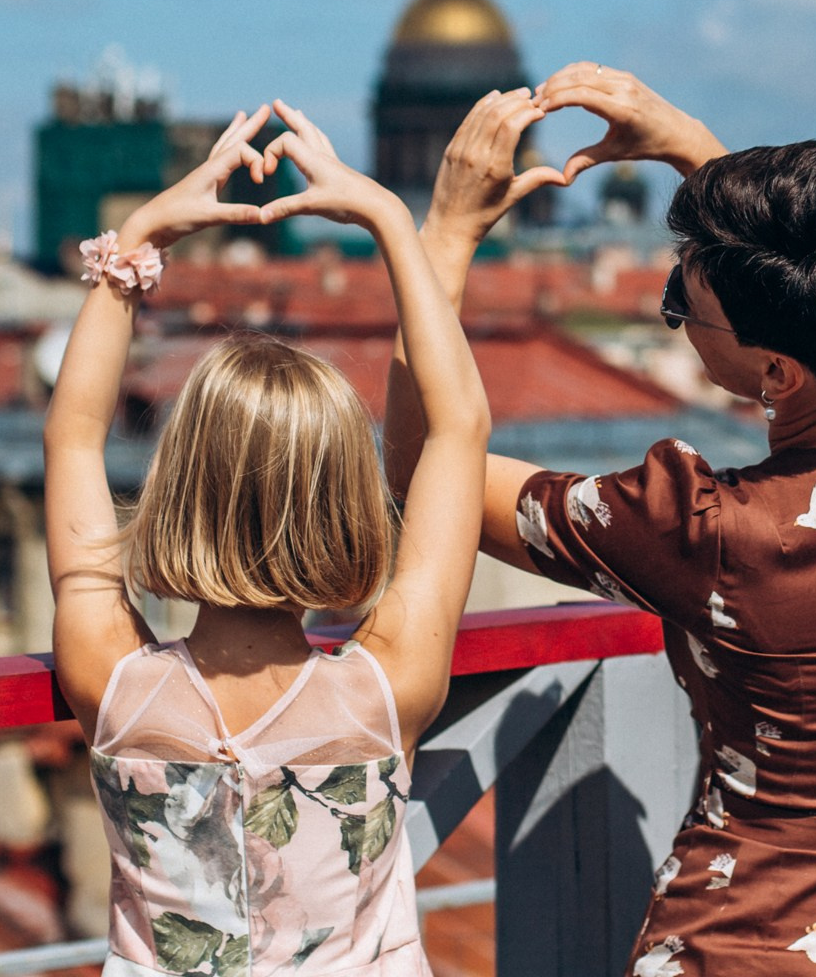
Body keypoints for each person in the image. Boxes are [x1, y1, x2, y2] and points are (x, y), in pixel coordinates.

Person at [379, 81, 816, 976]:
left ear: (776, 374)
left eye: (682, 304)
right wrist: (687, 142)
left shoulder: (707, 531)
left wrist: (443, 233)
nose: (672, 316)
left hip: (734, 948)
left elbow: (424, 469)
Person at [44, 101, 492, 977]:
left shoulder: (112, 681)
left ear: (179, 490)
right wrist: (388, 220)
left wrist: (140, 237)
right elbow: (458, 428)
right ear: (346, 507)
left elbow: (73, 435)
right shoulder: (387, 688)